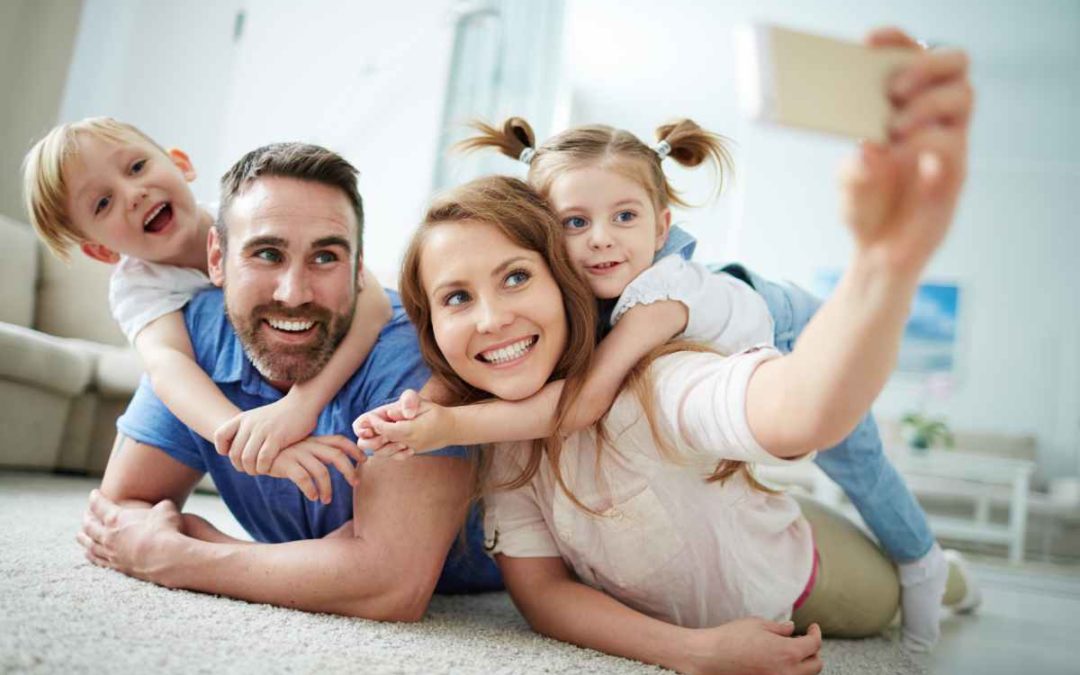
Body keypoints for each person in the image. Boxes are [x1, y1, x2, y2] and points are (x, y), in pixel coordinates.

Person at [370, 28, 977, 669]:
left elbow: (799, 411)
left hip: (801, 562)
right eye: (457, 298)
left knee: (878, 539)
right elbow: (542, 592)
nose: (492, 319)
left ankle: (944, 570)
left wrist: (884, 263)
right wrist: (693, 650)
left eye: (515, 276)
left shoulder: (657, 351)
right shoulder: (504, 435)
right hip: (734, 499)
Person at [74, 142, 501, 618]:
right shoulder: (189, 340)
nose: (293, 294)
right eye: (267, 254)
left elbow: (390, 583)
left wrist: (185, 556)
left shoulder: (412, 356)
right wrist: (331, 562)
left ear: (359, 267)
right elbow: (118, 511)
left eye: (325, 258)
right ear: (217, 258)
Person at [23, 118, 392, 499]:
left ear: (181, 164)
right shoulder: (139, 285)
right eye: (103, 203)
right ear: (101, 251)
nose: (133, 193)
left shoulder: (246, 215)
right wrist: (250, 440)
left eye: (136, 167)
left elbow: (375, 299)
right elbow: (169, 366)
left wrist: (302, 405)